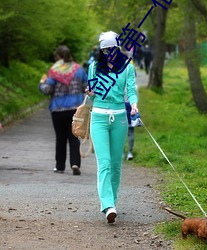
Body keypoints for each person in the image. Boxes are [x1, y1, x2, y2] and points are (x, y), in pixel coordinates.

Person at [85, 31, 138, 223]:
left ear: (118, 48)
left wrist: (133, 104)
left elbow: (131, 90)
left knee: (116, 164)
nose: (109, 54)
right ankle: (107, 205)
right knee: (104, 163)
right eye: (105, 50)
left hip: (120, 118)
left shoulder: (127, 68)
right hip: (98, 117)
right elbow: (91, 95)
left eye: (112, 49)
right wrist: (90, 92)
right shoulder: (94, 67)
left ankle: (112, 201)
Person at [39, 45, 87, 175]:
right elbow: (86, 87)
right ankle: (75, 163)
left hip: (58, 109)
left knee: (60, 138)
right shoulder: (79, 70)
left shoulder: (54, 71)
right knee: (74, 136)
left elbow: (47, 90)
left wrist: (42, 83)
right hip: (75, 109)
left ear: (58, 57)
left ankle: (60, 167)